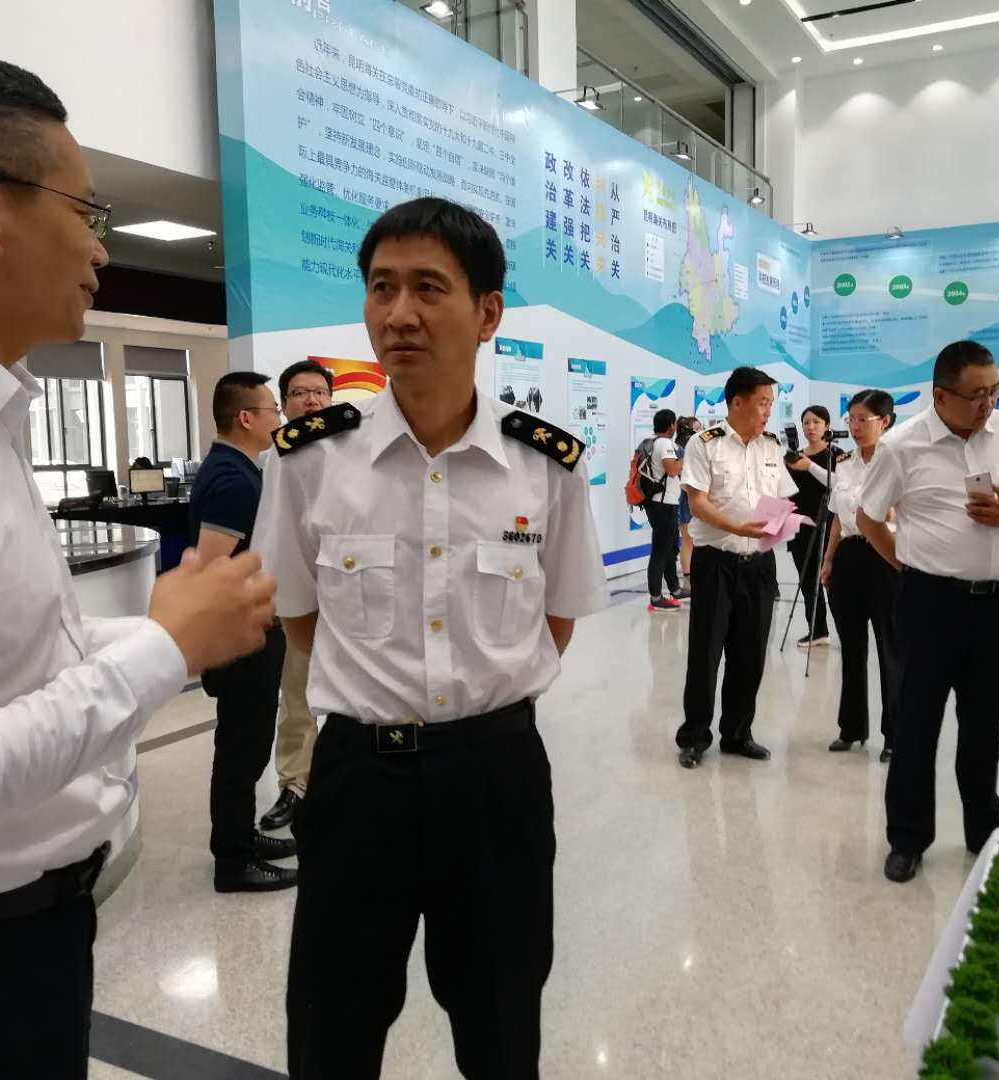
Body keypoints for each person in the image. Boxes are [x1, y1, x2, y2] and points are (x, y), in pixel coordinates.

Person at [0, 52, 276, 1078]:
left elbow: (12, 659)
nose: (98, 248)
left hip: (6, 942)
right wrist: (164, 649)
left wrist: (155, 627)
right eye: (88, 212)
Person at [252, 197, 609, 1079]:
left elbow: (556, 617)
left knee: (501, 1021)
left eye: (427, 288)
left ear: (488, 312)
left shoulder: (546, 464)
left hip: (497, 778)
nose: (399, 313)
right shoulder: (309, 460)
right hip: (358, 779)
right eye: (382, 288)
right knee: (333, 1023)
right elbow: (299, 615)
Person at [856, 341, 999, 884]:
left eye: (994, 390)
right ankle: (908, 838)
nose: (988, 403)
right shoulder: (902, 446)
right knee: (918, 723)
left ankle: (984, 826)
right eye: (976, 395)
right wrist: (907, 566)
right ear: (941, 396)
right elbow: (869, 518)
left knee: (984, 723)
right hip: (930, 605)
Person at [190, 373, 297, 893]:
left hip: (252, 631)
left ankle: (242, 836)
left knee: (249, 746)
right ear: (246, 418)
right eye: (273, 409)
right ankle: (232, 862)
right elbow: (212, 569)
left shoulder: (240, 469)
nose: (279, 418)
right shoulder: (232, 479)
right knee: (240, 749)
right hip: (241, 639)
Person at [675, 367, 798, 770]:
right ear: (737, 402)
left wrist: (781, 522)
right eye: (762, 403)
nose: (768, 411)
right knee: (706, 653)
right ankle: (695, 737)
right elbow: (698, 503)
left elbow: (783, 498)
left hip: (759, 566)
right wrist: (739, 527)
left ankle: (738, 733)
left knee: (751, 654)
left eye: (770, 403)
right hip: (716, 563)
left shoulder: (771, 447)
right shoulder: (705, 444)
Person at [260, 359, 334, 831]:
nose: (311, 401)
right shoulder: (278, 457)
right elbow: (271, 529)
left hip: (352, 593)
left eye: (320, 392)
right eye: (300, 393)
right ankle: (295, 784)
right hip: (302, 596)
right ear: (284, 405)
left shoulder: (353, 449)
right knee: (297, 693)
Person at [819, 391, 900, 758]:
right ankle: (851, 728)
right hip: (849, 558)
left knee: (890, 649)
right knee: (851, 648)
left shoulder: (897, 461)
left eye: (863, 419)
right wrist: (829, 559)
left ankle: (895, 735)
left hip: (886, 556)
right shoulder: (844, 464)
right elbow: (839, 517)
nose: (855, 426)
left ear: (885, 421)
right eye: (850, 418)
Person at [785, 404, 847, 648]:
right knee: (808, 582)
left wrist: (809, 466)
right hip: (800, 526)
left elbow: (839, 485)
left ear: (827, 426)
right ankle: (817, 630)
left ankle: (846, 634)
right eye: (806, 422)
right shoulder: (795, 456)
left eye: (817, 422)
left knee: (833, 583)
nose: (811, 427)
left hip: (828, 526)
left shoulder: (837, 454)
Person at [644, 408, 690, 612]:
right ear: (671, 425)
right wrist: (687, 456)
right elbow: (672, 470)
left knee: (670, 549)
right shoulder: (664, 444)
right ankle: (655, 598)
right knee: (660, 551)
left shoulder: (654, 442)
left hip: (663, 503)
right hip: (662, 505)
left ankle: (675, 589)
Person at [675, 416, 702, 576]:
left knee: (690, 538)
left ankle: (690, 572)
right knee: (688, 538)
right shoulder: (687, 445)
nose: (701, 431)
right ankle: (688, 574)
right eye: (697, 428)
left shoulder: (678, 444)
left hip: (685, 495)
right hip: (686, 496)